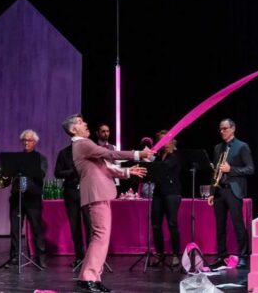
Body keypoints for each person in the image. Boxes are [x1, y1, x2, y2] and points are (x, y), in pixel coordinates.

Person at [64, 113, 151, 293]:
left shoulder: (84, 145)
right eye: (80, 122)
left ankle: (92, 278)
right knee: (100, 237)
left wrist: (127, 172)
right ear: (73, 129)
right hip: (96, 194)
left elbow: (105, 167)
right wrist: (137, 154)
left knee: (101, 237)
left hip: (99, 193)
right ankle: (88, 278)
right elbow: (110, 154)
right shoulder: (83, 144)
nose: (85, 123)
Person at [207, 119, 254, 270]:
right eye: (220, 129)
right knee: (220, 226)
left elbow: (250, 169)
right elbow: (215, 171)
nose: (222, 131)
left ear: (233, 129)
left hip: (233, 190)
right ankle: (222, 256)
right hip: (219, 191)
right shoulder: (217, 148)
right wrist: (212, 192)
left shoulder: (242, 146)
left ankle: (243, 256)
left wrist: (231, 169)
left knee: (238, 224)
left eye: (225, 128)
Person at [6, 129, 48, 269]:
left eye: (29, 140)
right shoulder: (15, 159)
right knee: (15, 229)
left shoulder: (40, 158)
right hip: (16, 197)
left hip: (33, 198)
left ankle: (40, 257)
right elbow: (8, 175)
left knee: (37, 228)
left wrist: (26, 168)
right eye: (24, 140)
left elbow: (41, 174)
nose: (26, 143)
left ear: (35, 142)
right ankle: (14, 257)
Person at [55, 143, 92, 267]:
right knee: (75, 226)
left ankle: (91, 257)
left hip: (87, 191)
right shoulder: (64, 153)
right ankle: (79, 256)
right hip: (71, 191)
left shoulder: (88, 150)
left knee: (89, 225)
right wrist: (72, 171)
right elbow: (57, 173)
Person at [150, 130, 182, 268]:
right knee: (156, 225)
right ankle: (160, 253)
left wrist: (150, 160)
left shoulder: (175, 155)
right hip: (158, 193)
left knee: (172, 224)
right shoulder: (158, 156)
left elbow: (163, 168)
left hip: (172, 193)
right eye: (161, 141)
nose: (164, 143)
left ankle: (176, 254)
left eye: (166, 140)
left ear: (171, 140)